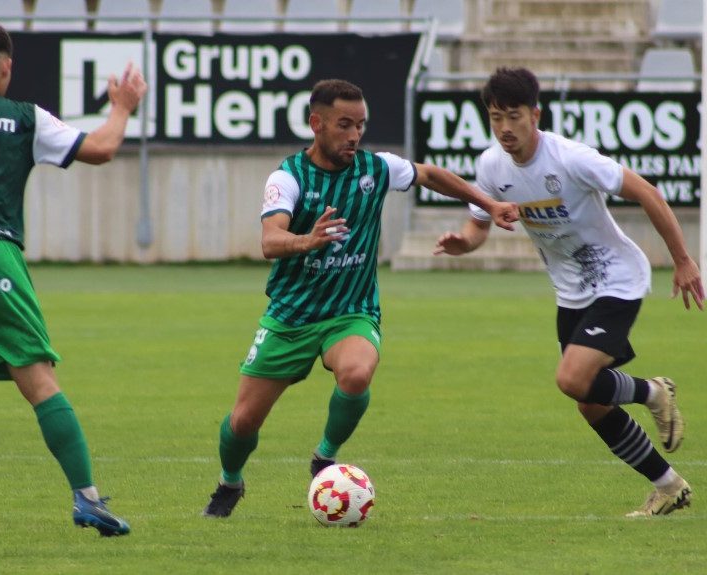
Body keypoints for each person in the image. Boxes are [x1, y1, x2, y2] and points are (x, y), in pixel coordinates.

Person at [202, 78, 519, 518]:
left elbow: (429, 174)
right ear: (316, 124)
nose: (354, 135)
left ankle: (324, 458)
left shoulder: (375, 169)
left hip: (351, 311)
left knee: (356, 373)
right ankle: (230, 483)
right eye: (343, 125)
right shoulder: (288, 177)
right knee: (242, 422)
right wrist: (305, 241)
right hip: (290, 315)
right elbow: (270, 240)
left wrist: (485, 201)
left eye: (360, 125)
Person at [434, 67, 705, 517]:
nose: (504, 127)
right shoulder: (490, 166)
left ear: (535, 114)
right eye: (495, 116)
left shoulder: (571, 158)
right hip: (570, 292)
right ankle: (668, 485)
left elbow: (648, 193)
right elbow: (478, 224)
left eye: (514, 116)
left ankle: (653, 392)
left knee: (571, 380)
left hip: (618, 280)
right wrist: (465, 242)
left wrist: (681, 259)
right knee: (589, 403)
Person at [0, 21, 147, 538]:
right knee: (40, 382)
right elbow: (103, 147)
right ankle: (87, 500)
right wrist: (123, 106)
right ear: (7, 67)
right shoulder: (26, 117)